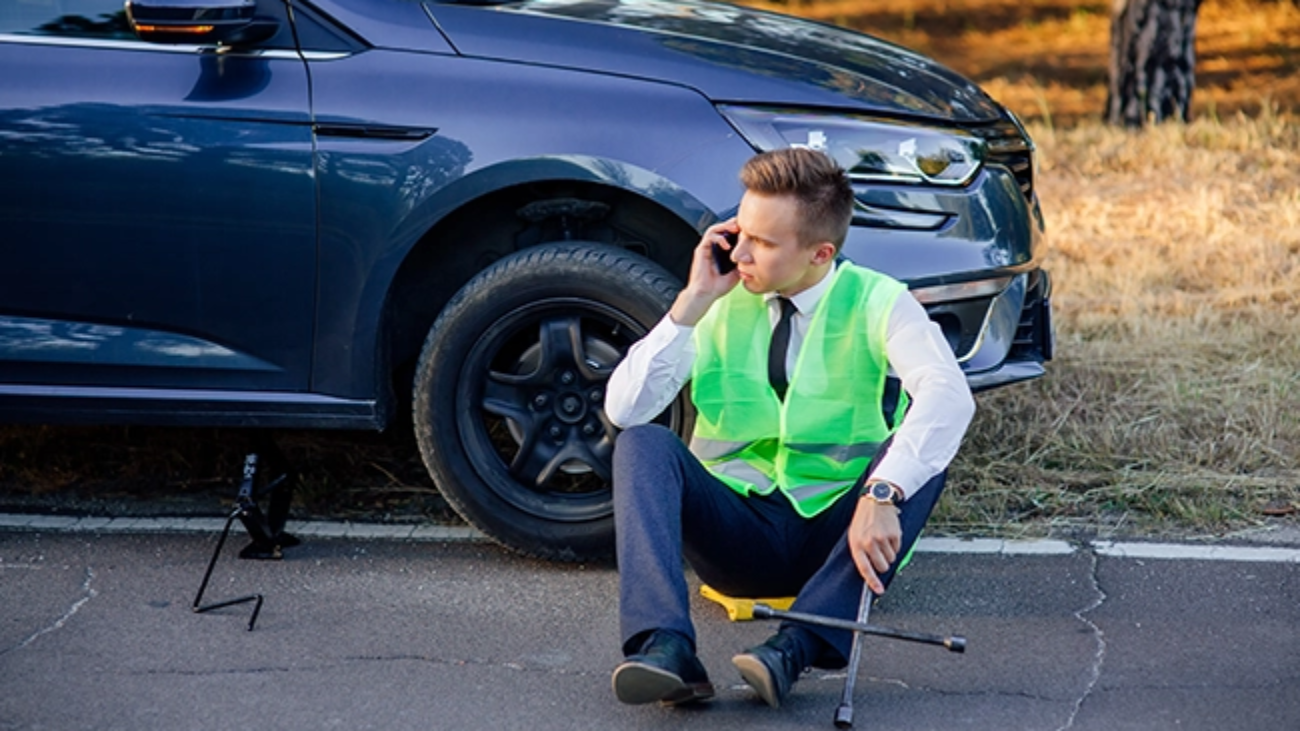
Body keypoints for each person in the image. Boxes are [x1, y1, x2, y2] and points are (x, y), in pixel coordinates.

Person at [604, 147, 976, 708]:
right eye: (741, 232)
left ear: (820, 253)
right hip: (736, 534)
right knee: (642, 443)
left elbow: (950, 397)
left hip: (836, 538)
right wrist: (692, 300)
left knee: (924, 454)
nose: (742, 253)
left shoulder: (879, 300)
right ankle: (665, 647)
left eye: (765, 243)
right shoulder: (718, 299)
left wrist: (882, 491)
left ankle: (795, 647)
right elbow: (625, 409)